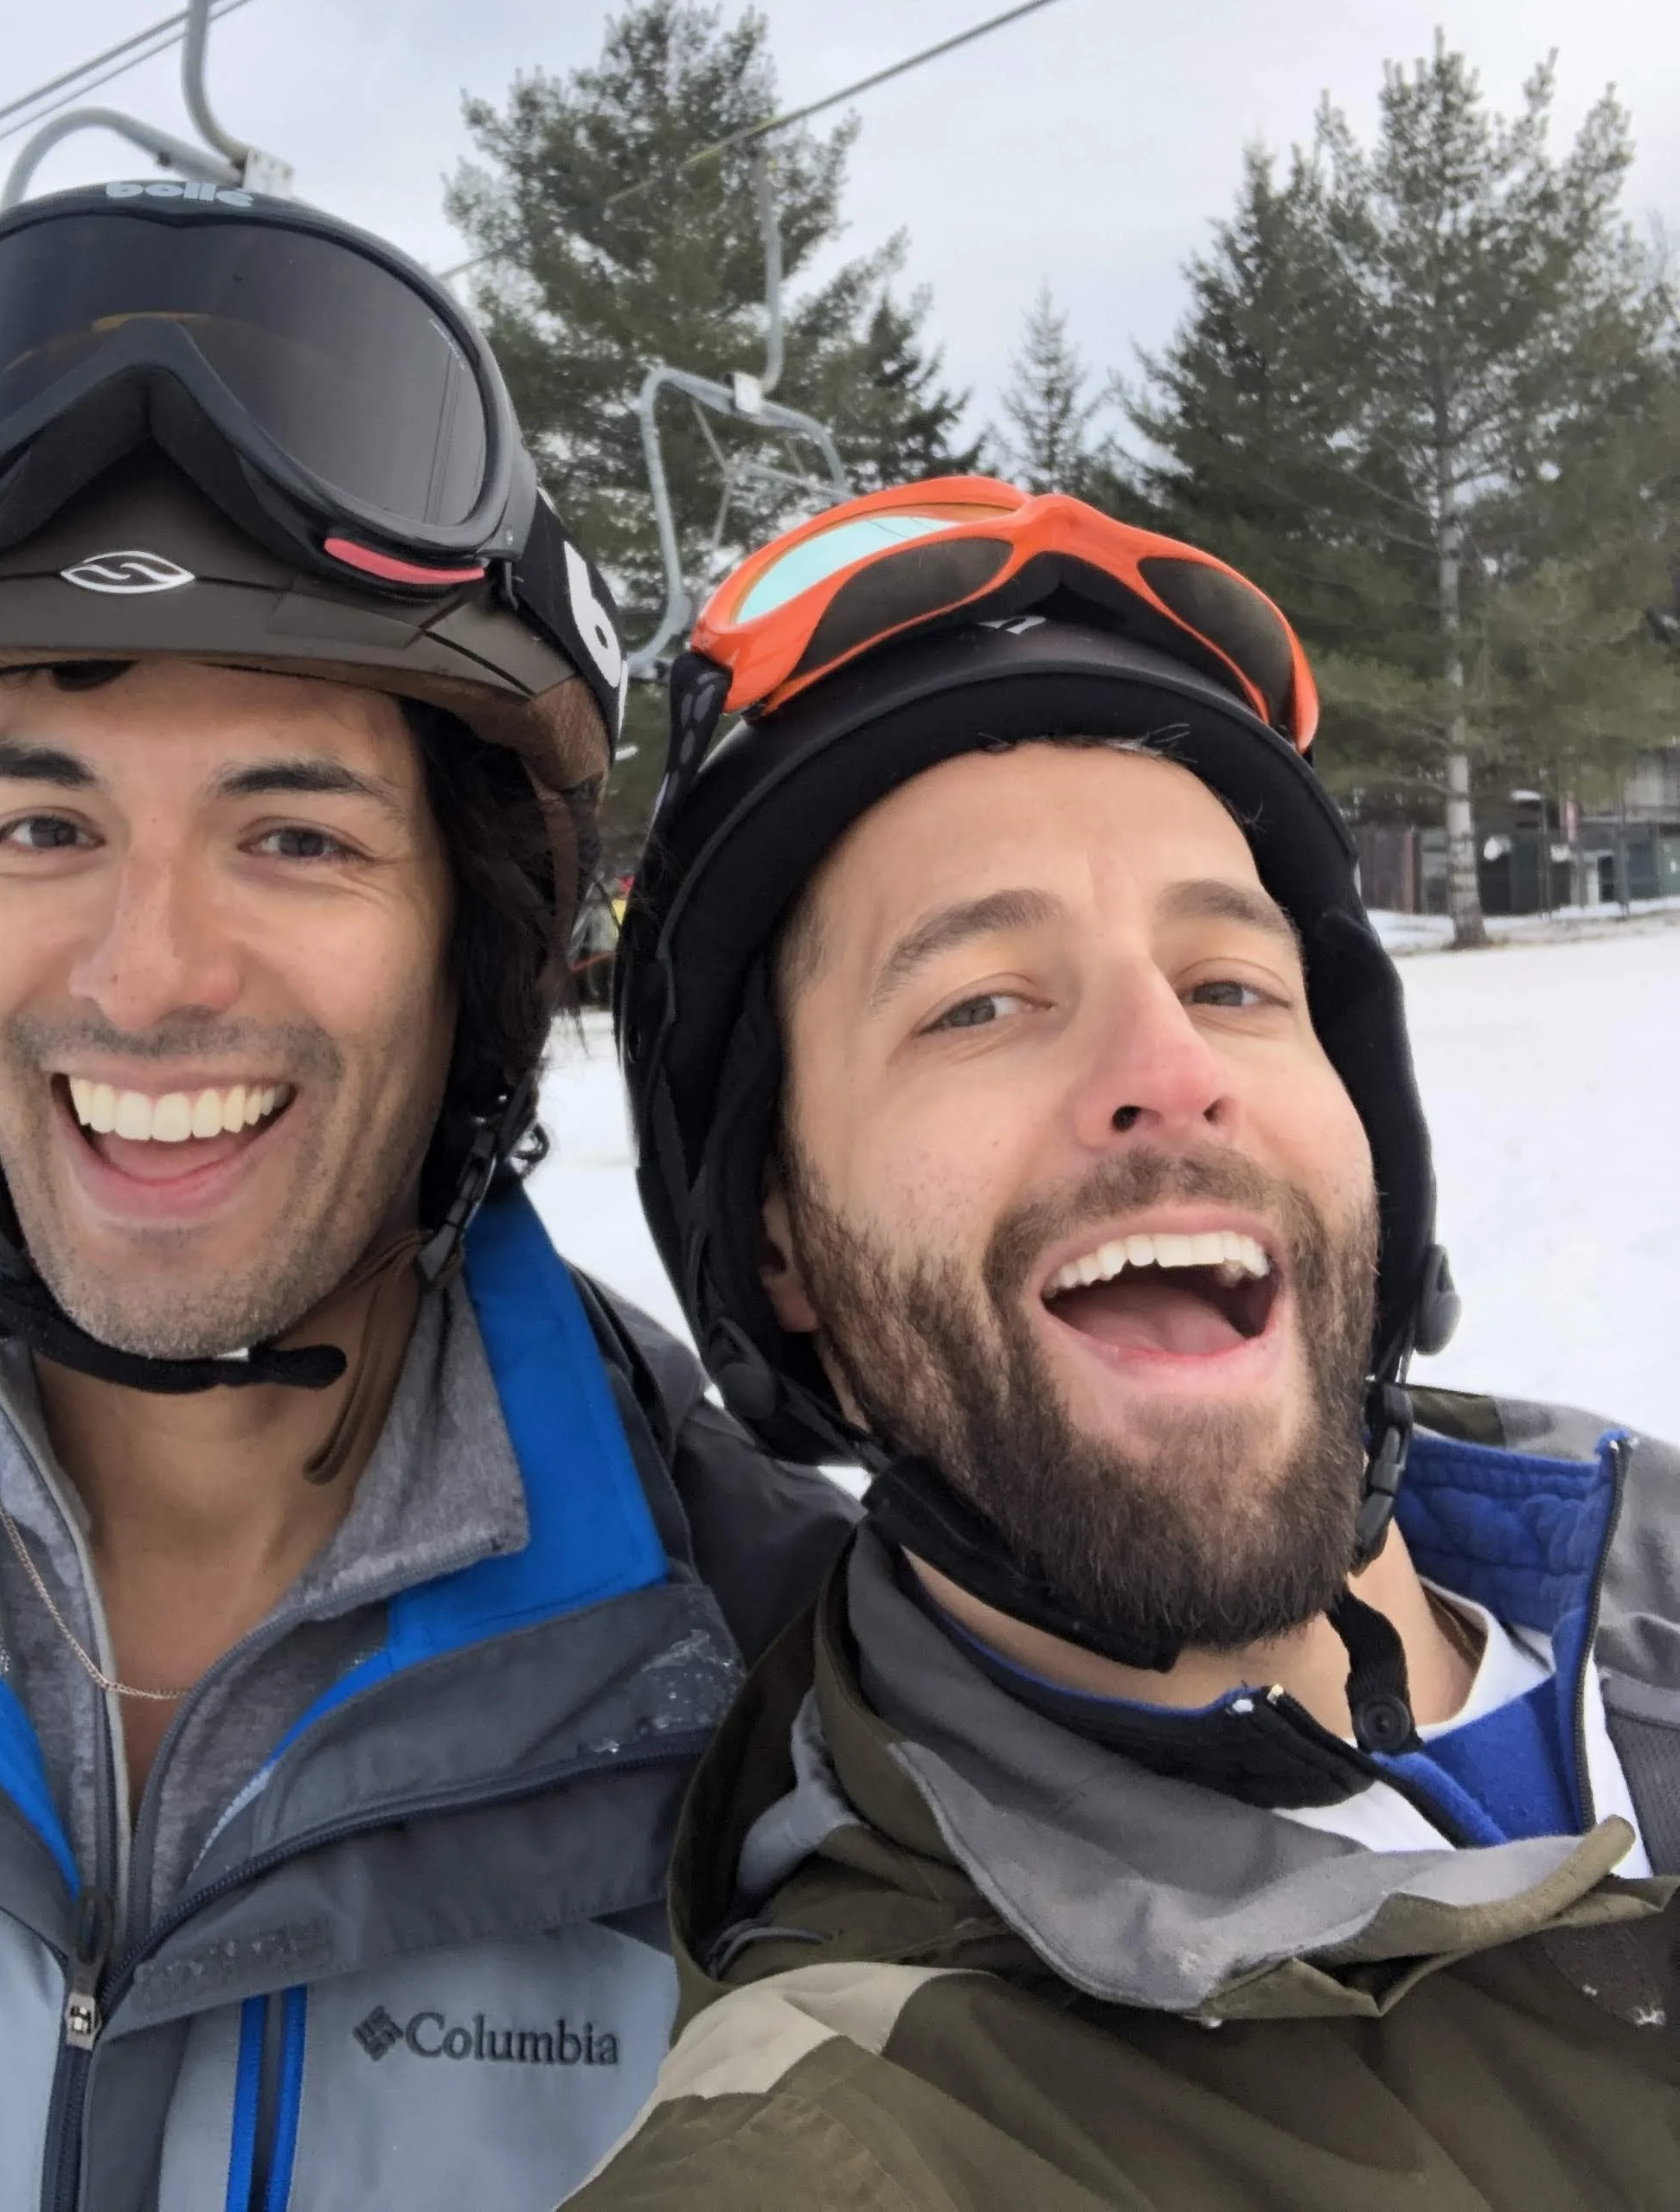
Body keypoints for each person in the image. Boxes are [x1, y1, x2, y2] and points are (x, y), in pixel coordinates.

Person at [0, 182, 853, 2212]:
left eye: (292, 836)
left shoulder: (777, 1713)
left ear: (467, 946)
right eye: (45, 819)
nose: (143, 977)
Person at [574, 476, 1680, 2210]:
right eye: (977, 1002)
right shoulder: (873, 2125)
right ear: (776, 1240)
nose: (1169, 1068)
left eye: (1234, 982)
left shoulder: (1640, 1574)